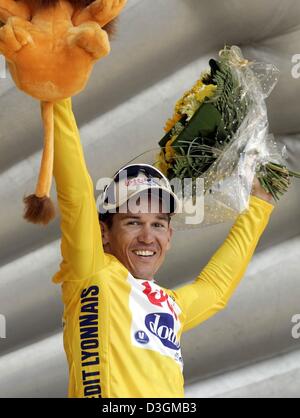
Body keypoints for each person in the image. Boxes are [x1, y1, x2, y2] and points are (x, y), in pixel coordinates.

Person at [52, 98, 275, 398]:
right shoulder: (91, 271)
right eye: (133, 222)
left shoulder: (170, 305)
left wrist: (259, 203)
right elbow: (75, 193)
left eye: (158, 224)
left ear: (169, 236)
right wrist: (59, 98)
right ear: (103, 233)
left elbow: (215, 288)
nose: (148, 237)